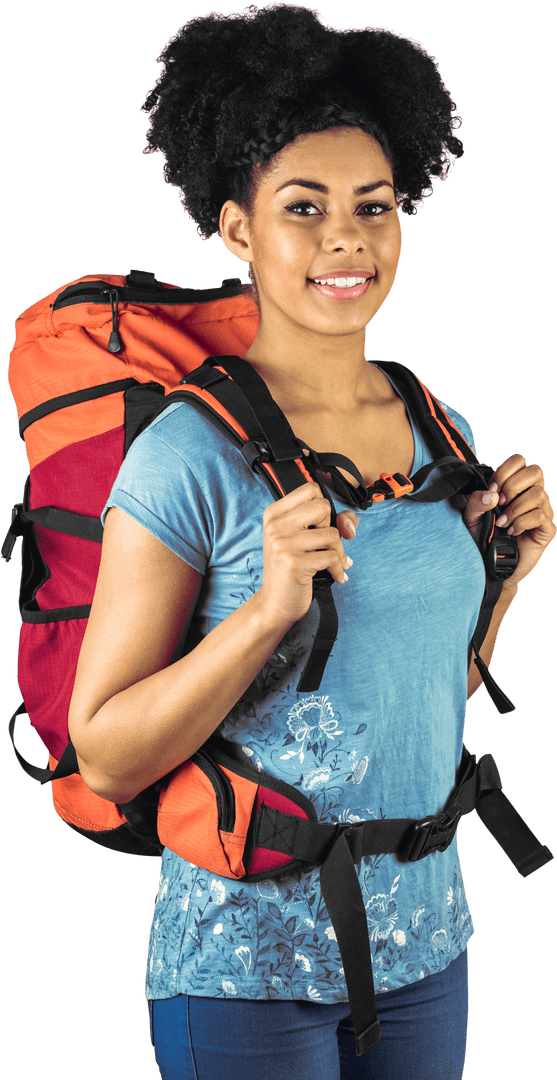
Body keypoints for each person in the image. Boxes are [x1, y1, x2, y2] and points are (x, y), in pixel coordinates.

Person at [66, 5, 555, 1079]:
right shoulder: (186, 453)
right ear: (238, 230)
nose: (346, 237)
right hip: (242, 971)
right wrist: (265, 611)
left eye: (372, 208)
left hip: (428, 948)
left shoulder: (440, 426)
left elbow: (422, 700)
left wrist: (503, 572)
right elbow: (103, 751)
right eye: (304, 208)